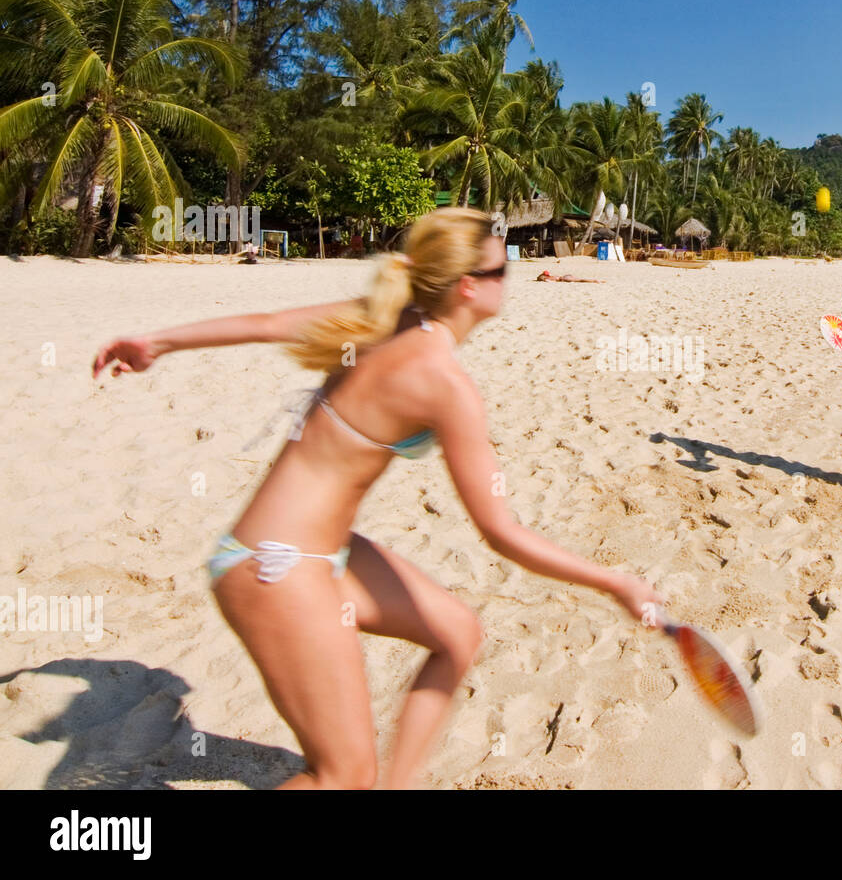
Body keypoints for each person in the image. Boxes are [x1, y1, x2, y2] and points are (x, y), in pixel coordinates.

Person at [91, 207, 661, 789]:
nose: (507, 278)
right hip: (279, 567)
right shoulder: (445, 384)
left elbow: (265, 322)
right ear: (468, 286)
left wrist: (155, 342)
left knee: (457, 634)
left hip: (317, 554)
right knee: (341, 778)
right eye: (500, 271)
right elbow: (501, 533)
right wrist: (614, 582)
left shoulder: (386, 317)